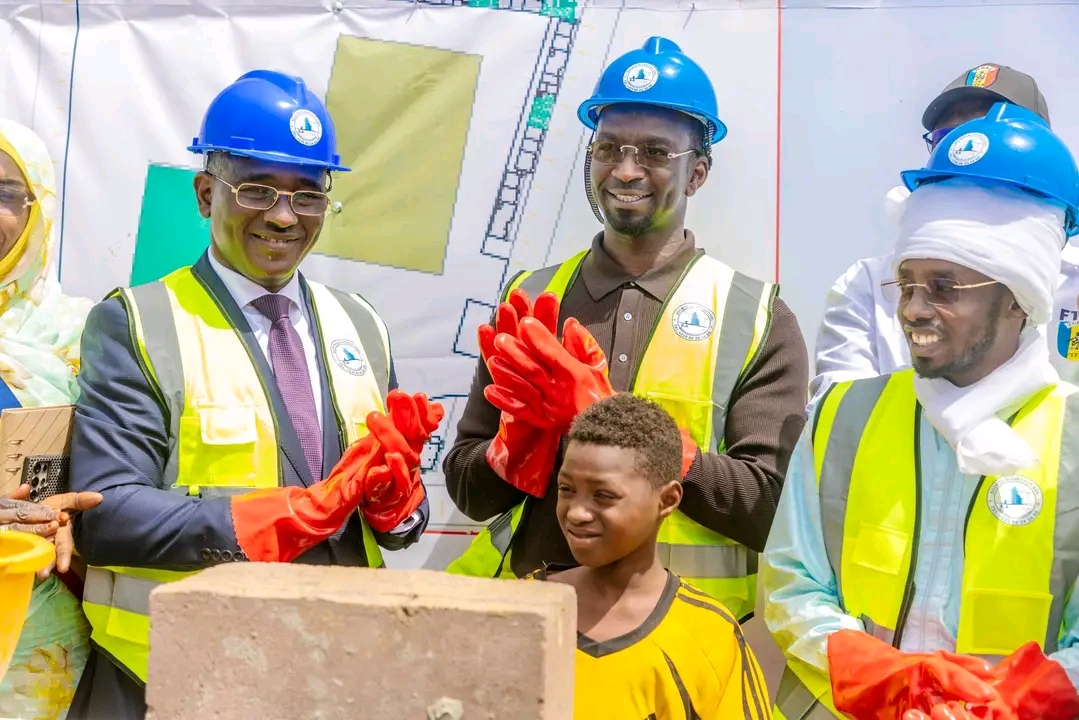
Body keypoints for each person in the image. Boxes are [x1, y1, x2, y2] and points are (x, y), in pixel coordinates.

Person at [66, 70, 441, 719]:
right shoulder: (138, 323)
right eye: (257, 189)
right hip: (172, 679)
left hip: (330, 674)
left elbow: (393, 522)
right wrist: (267, 520)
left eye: (307, 195)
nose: (283, 215)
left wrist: (399, 506)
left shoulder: (359, 324)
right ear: (206, 193)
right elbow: (106, 517)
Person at [443, 36, 809, 623]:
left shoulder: (755, 318)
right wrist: (516, 451)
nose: (626, 169)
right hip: (531, 615)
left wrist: (625, 431)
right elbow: (468, 490)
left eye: (656, 153)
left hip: (681, 637)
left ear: (697, 173)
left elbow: (770, 510)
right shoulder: (532, 300)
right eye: (608, 148)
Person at [763, 103, 1079, 719]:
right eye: (907, 283)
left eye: (944, 287)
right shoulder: (843, 416)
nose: (912, 309)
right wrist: (891, 683)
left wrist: (1001, 702)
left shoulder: (1073, 438)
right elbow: (790, 581)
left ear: (1019, 300)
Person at [809, 62, 1079, 407]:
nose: (969, 153)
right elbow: (839, 419)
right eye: (947, 139)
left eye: (986, 137)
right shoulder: (866, 285)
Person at [530, 392, 770, 719]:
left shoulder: (709, 635)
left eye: (604, 495)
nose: (577, 513)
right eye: (566, 489)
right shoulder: (522, 608)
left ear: (668, 500)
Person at [0, 118, 105, 720]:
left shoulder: (87, 334)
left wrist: (66, 517)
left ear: (38, 207)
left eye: (4, 193)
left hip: (41, 642)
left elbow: (124, 479)